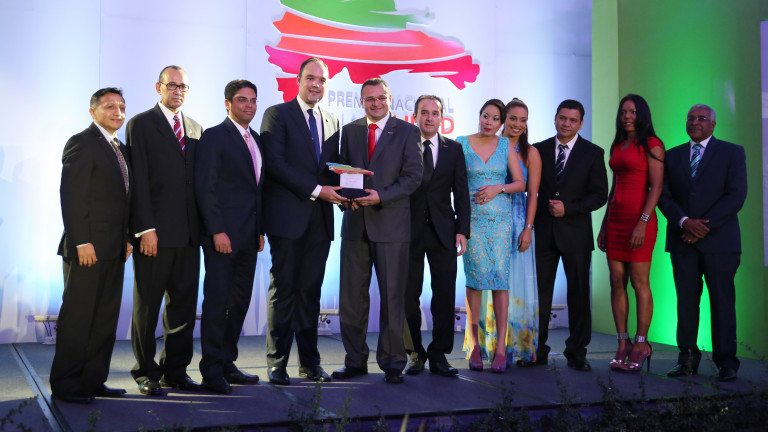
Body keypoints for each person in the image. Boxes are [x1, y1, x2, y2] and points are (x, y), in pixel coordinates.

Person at [332, 77, 422, 384]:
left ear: (390, 99)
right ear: (361, 102)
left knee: (393, 298)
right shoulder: (350, 131)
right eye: (369, 98)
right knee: (351, 300)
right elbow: (344, 172)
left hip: (392, 226)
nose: (376, 103)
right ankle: (355, 361)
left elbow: (413, 177)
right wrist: (345, 199)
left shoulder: (408, 131)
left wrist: (381, 196)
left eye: (381, 97)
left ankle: (393, 362)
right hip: (355, 224)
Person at [260, 57, 342, 385]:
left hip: (320, 222)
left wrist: (350, 190)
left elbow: (332, 169)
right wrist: (318, 190)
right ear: (298, 80)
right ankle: (276, 363)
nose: (316, 84)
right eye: (310, 78)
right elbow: (275, 163)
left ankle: (310, 363)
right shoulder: (277, 114)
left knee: (310, 293)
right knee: (284, 291)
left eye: (322, 80)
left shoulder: (333, 120)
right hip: (287, 220)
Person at [51, 88, 132, 404]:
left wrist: (126, 238)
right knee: (79, 318)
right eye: (110, 106)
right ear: (93, 111)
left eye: (121, 107)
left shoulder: (120, 148)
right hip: (87, 248)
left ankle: (93, 380)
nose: (117, 112)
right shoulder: (82, 142)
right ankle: (67, 385)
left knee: (104, 319)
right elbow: (72, 196)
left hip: (114, 248)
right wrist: (82, 241)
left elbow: (123, 200)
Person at [126, 65, 204, 395]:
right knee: (147, 308)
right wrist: (145, 229)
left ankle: (176, 371)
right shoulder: (140, 124)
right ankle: (145, 372)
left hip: (189, 237)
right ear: (158, 87)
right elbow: (138, 181)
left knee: (183, 308)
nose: (178, 91)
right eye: (172, 85)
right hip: (153, 236)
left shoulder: (196, 128)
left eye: (183, 87)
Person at [658, 104, 747, 382]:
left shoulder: (732, 152)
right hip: (682, 241)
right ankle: (686, 360)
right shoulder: (671, 156)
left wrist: (701, 228)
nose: (695, 122)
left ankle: (726, 362)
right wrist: (685, 222)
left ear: (713, 124)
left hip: (720, 243)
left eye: (701, 118)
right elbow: (663, 196)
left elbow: (736, 196)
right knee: (685, 303)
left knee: (722, 303)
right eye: (690, 118)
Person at [195, 80, 264, 394]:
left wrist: (259, 229)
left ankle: (227, 363)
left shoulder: (256, 139)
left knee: (239, 303)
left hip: (249, 237)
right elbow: (206, 188)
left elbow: (256, 191)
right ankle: (211, 370)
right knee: (217, 303)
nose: (248, 105)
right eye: (241, 100)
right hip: (222, 238)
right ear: (227, 103)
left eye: (253, 100)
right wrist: (216, 230)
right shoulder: (214, 136)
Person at [529, 99, 608, 371]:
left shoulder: (593, 153)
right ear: (555, 118)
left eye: (573, 120)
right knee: (539, 295)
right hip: (543, 232)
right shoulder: (537, 149)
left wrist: (569, 208)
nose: (566, 124)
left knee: (578, 295)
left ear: (581, 123)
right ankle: (536, 350)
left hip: (576, 234)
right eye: (562, 118)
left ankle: (576, 352)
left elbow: (599, 195)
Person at [403, 95, 470, 377]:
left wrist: (462, 230)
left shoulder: (453, 149)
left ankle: (439, 354)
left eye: (434, 113)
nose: (429, 118)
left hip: (444, 232)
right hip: (408, 231)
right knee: (408, 295)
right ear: (415, 116)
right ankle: (414, 353)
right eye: (424, 112)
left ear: (441, 117)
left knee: (444, 294)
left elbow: (462, 192)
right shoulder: (404, 145)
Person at [597, 94, 664, 373]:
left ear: (642, 114)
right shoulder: (618, 143)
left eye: (633, 111)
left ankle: (641, 345)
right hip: (616, 220)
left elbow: (656, 187)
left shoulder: (652, 144)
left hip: (640, 220)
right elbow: (614, 186)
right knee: (616, 281)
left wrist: (643, 222)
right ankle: (622, 342)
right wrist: (604, 223)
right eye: (623, 112)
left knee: (639, 283)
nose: (627, 116)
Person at [460, 99, 525, 373]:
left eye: (496, 118)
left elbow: (520, 182)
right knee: (474, 282)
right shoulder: (461, 143)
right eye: (486, 116)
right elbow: (454, 183)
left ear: (501, 123)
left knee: (500, 282)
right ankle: (474, 346)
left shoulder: (505, 145)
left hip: (501, 223)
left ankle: (500, 348)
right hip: (472, 221)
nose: (489, 122)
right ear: (479, 116)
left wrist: (498, 187)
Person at [498, 98, 540, 366]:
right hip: (490, 222)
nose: (517, 124)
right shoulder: (489, 145)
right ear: (503, 118)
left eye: (523, 120)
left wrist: (528, 228)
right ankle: (493, 344)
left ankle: (519, 346)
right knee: (492, 281)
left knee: (517, 284)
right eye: (513, 118)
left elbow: (533, 194)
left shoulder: (530, 153)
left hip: (517, 222)